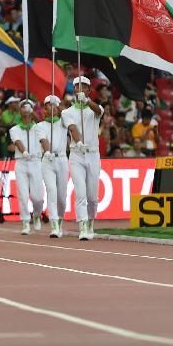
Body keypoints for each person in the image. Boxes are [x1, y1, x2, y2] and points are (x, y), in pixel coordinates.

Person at [63, 76, 104, 241]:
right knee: (80, 193)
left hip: (93, 155)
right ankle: (83, 225)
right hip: (76, 155)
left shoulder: (94, 109)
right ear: (74, 90)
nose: (80, 89)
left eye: (84, 87)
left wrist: (86, 101)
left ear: (89, 90)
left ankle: (91, 222)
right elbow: (72, 128)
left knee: (92, 197)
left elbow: (99, 111)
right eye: (78, 87)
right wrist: (78, 142)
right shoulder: (67, 112)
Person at [8, 99, 44, 235]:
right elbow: (17, 141)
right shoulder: (14, 129)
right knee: (23, 195)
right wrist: (24, 152)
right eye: (22, 107)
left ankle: (36, 215)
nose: (25, 109)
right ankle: (25, 221)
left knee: (38, 197)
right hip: (21, 162)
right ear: (19, 110)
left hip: (36, 162)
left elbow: (39, 122)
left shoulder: (39, 127)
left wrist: (32, 113)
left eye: (27, 107)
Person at [38, 94, 69, 238]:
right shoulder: (40, 126)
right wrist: (48, 151)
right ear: (45, 108)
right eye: (49, 105)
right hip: (48, 160)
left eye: (54, 105)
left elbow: (67, 115)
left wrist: (59, 105)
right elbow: (44, 140)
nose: (52, 108)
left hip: (62, 159)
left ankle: (60, 220)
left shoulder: (64, 122)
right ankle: (54, 225)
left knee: (62, 196)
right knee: (52, 191)